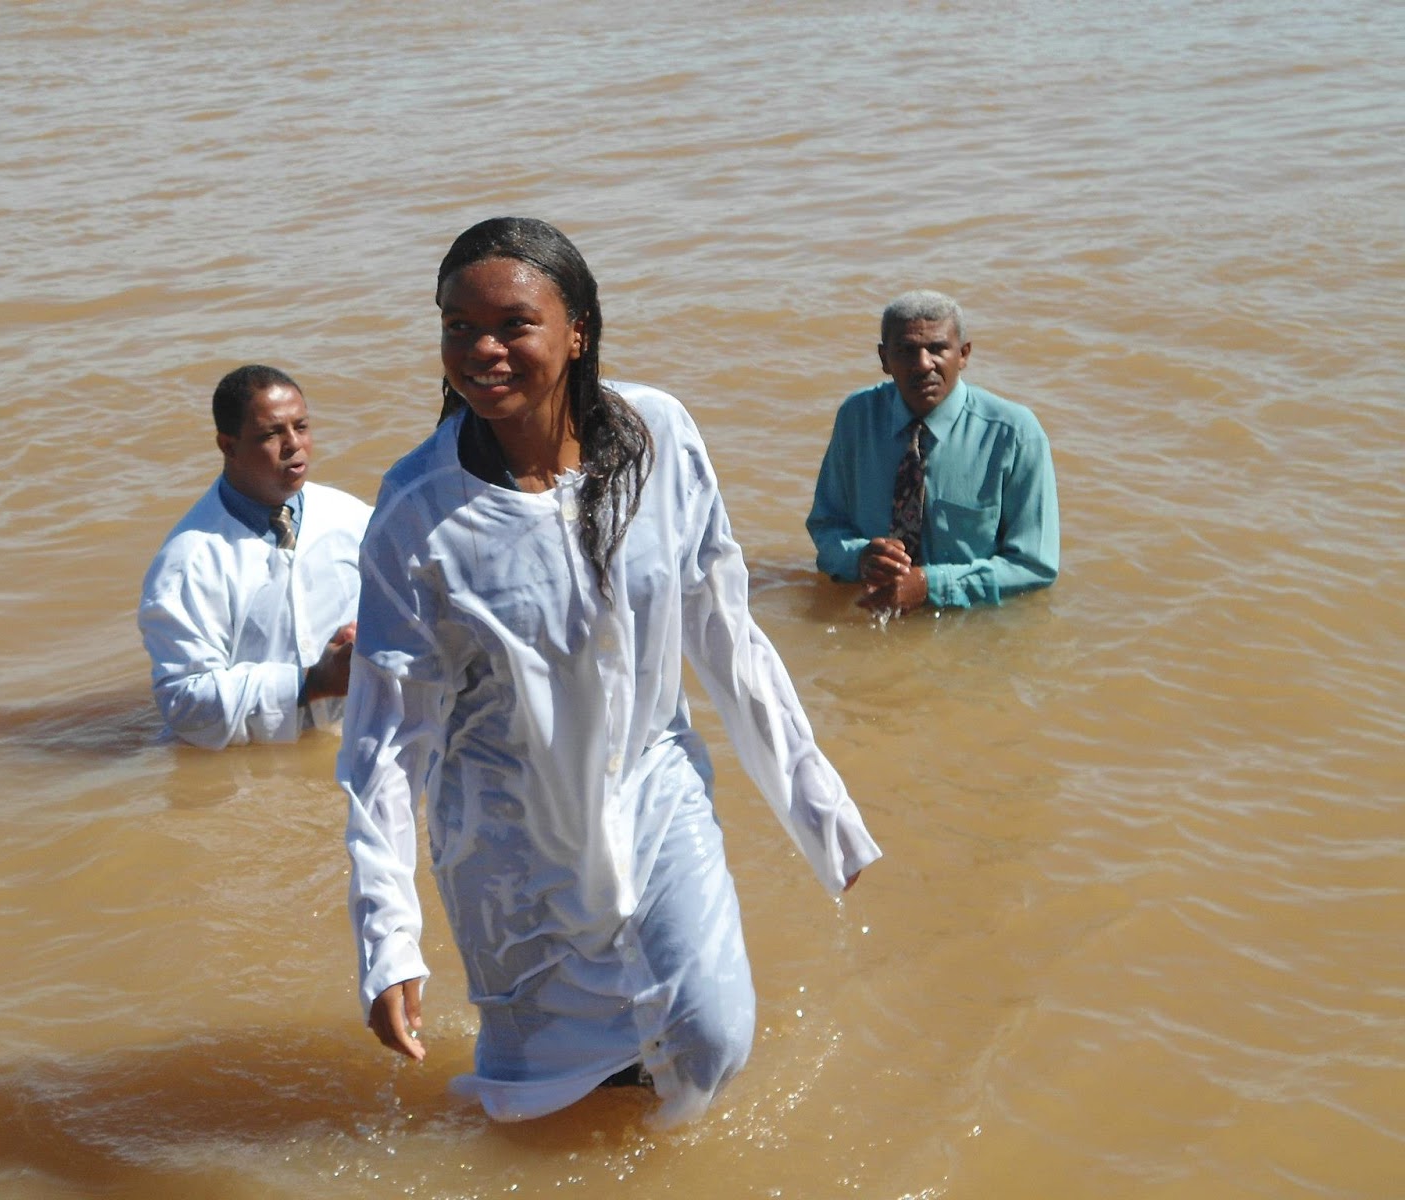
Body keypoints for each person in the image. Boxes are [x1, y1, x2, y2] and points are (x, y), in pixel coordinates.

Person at [338, 217, 880, 1130]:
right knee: (542, 1094)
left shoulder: (658, 435)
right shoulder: (419, 512)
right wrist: (387, 937)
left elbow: (724, 627)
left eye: (513, 324)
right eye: (457, 326)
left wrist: (815, 802)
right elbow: (389, 740)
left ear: (578, 328)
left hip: (652, 783)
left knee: (712, 1034)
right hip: (511, 838)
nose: (482, 350)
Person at [138, 365, 373, 749]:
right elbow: (183, 704)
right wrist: (310, 683)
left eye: (302, 426)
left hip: (352, 743)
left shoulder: (350, 517)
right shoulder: (190, 561)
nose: (294, 444)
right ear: (228, 445)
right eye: (271, 434)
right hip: (255, 774)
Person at [806, 290, 1059, 613]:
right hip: (868, 614)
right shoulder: (857, 417)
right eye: (907, 351)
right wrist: (860, 558)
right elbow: (826, 525)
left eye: (937, 349)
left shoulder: (1015, 434)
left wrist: (930, 585)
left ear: (964, 354)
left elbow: (1035, 565)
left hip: (968, 626)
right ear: (885, 359)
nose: (923, 364)